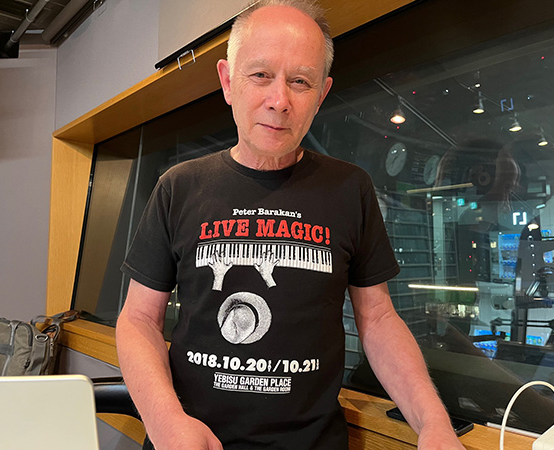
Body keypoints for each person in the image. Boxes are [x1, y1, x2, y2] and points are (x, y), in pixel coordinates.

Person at [116, 1, 464, 448]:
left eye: (300, 81)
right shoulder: (178, 187)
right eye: (261, 75)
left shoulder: (350, 188)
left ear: (321, 94)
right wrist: (165, 421)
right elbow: (139, 320)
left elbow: (378, 318)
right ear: (228, 81)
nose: (279, 101)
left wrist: (433, 423)